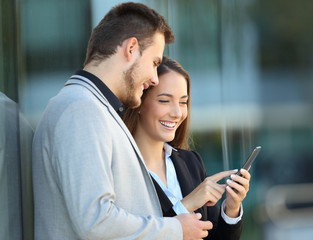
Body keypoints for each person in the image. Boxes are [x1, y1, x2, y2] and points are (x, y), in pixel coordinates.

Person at [32, 2, 212, 240]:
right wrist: (176, 230)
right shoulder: (81, 109)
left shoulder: (94, 108)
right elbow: (96, 221)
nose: (155, 79)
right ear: (131, 48)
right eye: (155, 63)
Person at [123, 56, 251, 240]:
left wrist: (231, 208)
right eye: (165, 101)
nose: (177, 113)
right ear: (139, 103)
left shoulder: (191, 162)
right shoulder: (122, 171)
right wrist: (187, 204)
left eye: (183, 102)